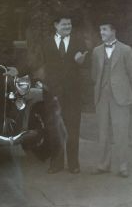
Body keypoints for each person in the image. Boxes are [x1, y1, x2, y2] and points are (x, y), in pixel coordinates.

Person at [41, 15, 88, 174]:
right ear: (55, 25)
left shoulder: (78, 42)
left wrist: (82, 60)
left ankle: (74, 164)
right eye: (64, 24)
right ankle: (56, 164)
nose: (68, 26)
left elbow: (87, 62)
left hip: (73, 93)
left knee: (73, 128)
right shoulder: (46, 42)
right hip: (52, 93)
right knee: (54, 130)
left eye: (69, 24)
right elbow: (37, 63)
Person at [91, 19, 132, 178]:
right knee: (103, 132)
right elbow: (94, 75)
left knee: (121, 132)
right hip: (102, 96)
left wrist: (123, 90)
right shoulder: (96, 51)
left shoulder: (126, 50)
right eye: (100, 30)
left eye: (104, 29)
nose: (101, 33)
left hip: (121, 97)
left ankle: (123, 166)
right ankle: (103, 164)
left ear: (113, 31)